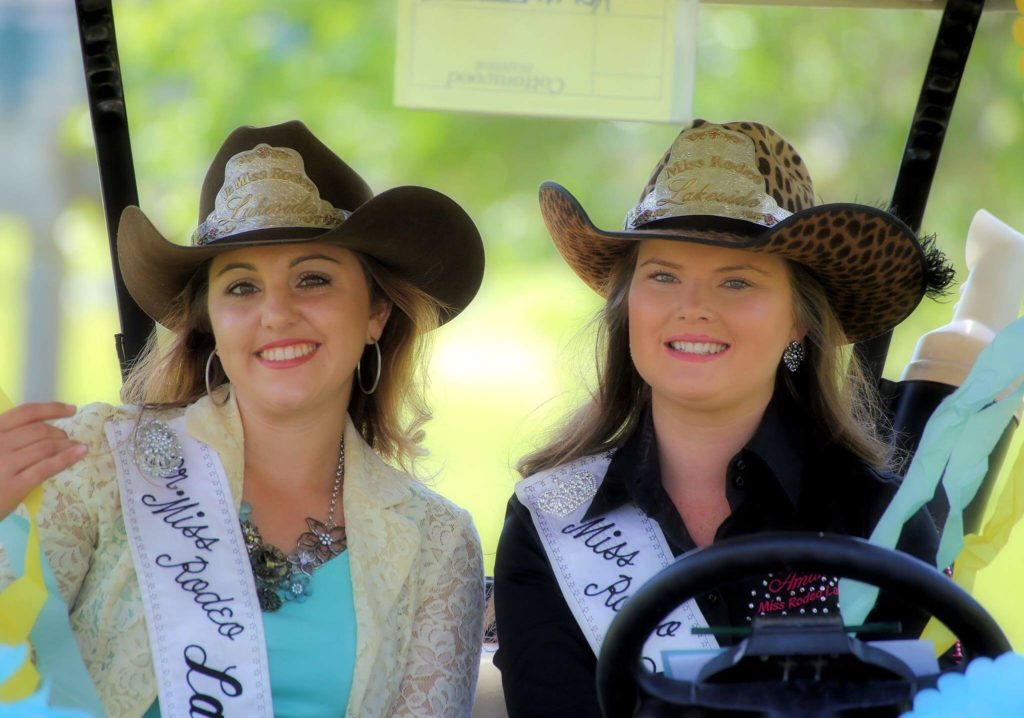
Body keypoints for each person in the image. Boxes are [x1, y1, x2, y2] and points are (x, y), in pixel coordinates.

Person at [0, 121, 486, 718]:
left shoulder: (437, 539)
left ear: (376, 313)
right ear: (209, 320)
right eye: (241, 287)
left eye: (313, 279)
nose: (276, 314)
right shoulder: (99, 459)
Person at [492, 119, 954, 717]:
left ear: (800, 322)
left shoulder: (885, 517)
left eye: (737, 280)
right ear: (626, 305)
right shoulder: (550, 518)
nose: (693, 308)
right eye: (662, 275)